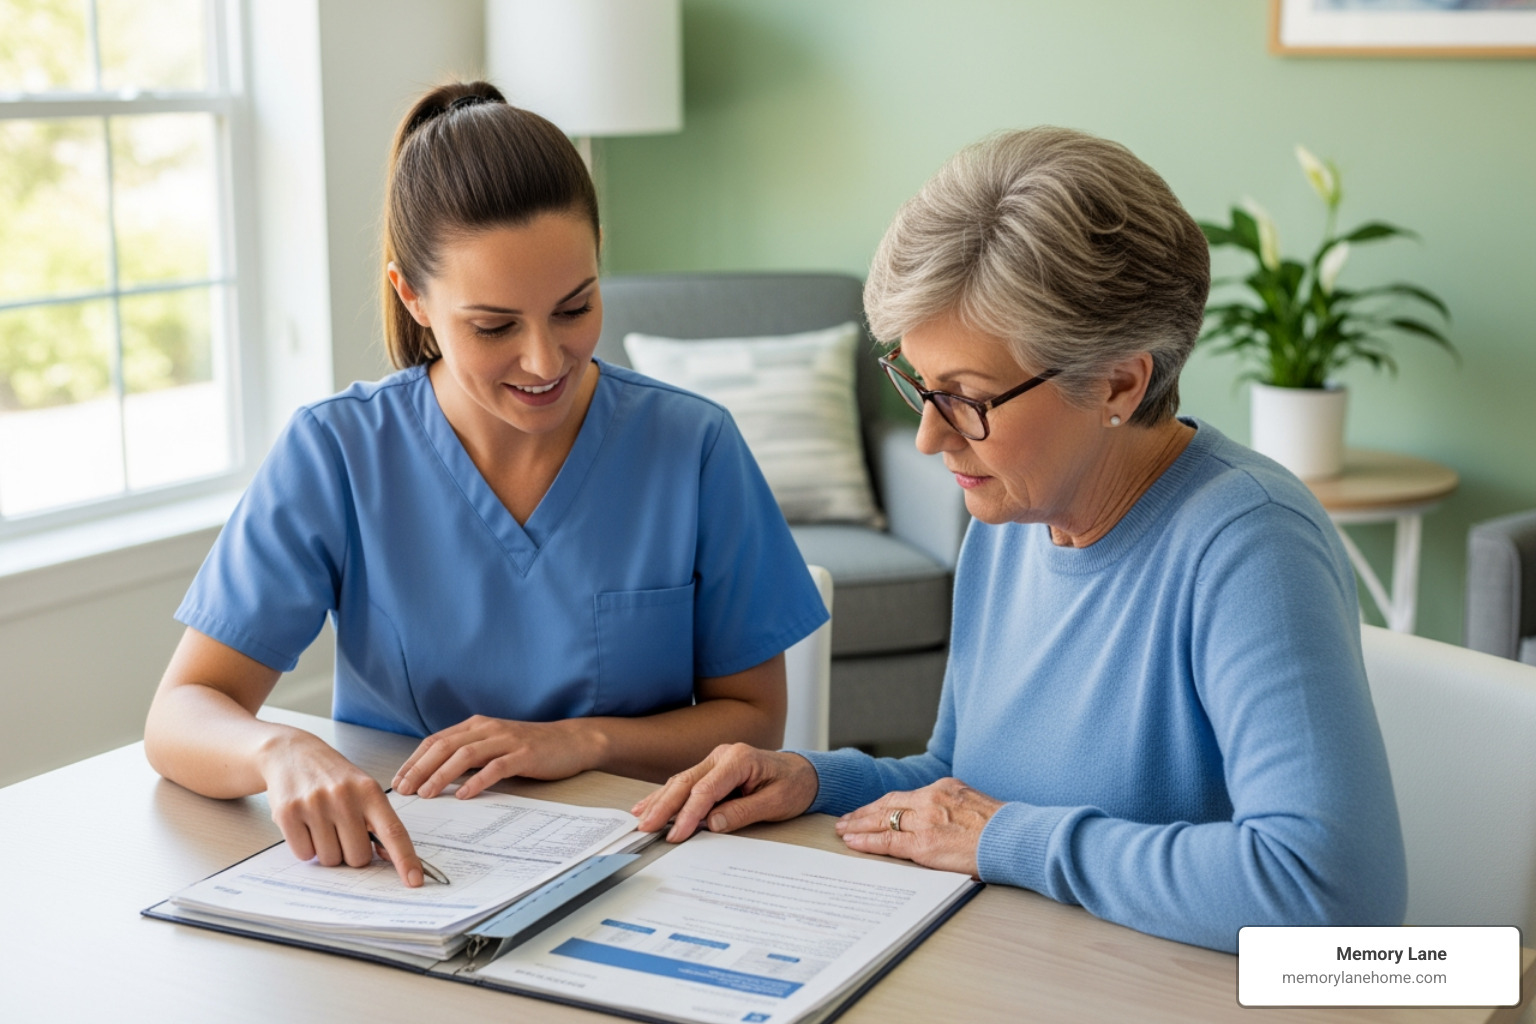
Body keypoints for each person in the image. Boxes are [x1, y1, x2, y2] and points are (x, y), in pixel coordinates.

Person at [632, 127, 1406, 953]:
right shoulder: (1010, 519)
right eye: (919, 385)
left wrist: (1012, 840)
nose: (931, 439)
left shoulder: (1251, 546)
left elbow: (1333, 893)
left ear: (1118, 380)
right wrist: (817, 779)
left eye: (967, 397)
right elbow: (967, 784)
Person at [143, 82, 827, 889]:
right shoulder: (337, 452)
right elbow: (180, 712)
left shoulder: (694, 446)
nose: (545, 362)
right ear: (414, 298)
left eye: (575, 307)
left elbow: (755, 721)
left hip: (644, 873)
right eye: (494, 326)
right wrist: (279, 748)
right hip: (403, 874)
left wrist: (587, 740)